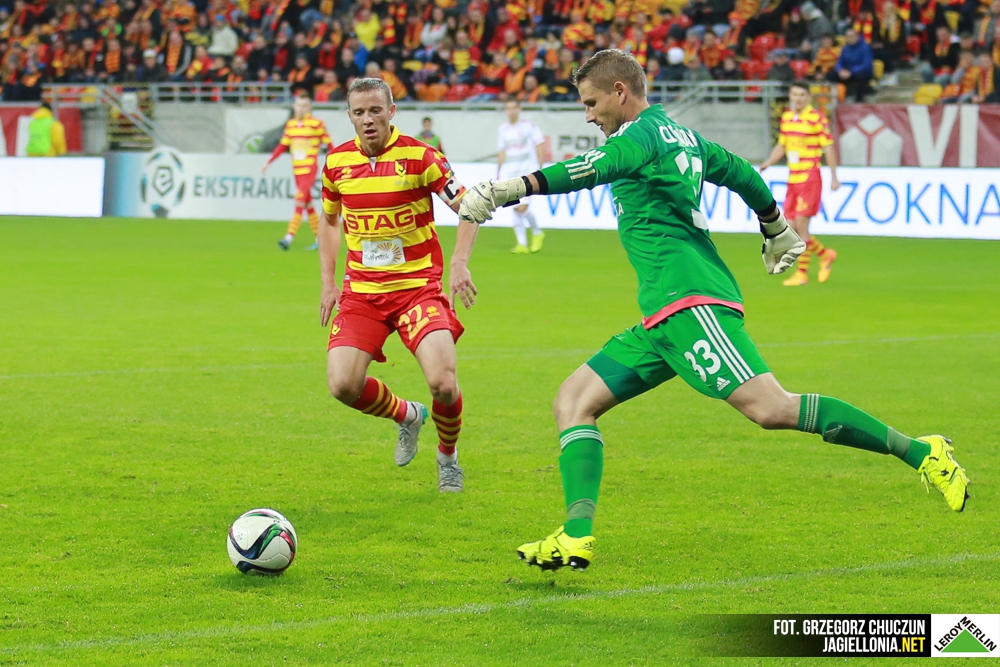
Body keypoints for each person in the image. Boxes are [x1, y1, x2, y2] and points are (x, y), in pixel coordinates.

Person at [457, 50, 969, 571]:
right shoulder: (682, 136)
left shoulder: (639, 137)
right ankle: (575, 536)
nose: (588, 115)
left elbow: (590, 168)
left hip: (691, 301)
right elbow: (741, 171)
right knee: (572, 401)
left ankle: (921, 452)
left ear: (620, 92)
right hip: (661, 315)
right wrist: (774, 224)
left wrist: (509, 189)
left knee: (772, 409)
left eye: (591, 103)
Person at [318, 77, 480, 492]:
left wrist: (459, 262)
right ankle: (407, 415)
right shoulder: (336, 163)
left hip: (417, 290)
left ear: (392, 111)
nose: (368, 119)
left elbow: (469, 206)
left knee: (444, 383)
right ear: (349, 116)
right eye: (359, 112)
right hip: (362, 294)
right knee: (342, 385)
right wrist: (328, 281)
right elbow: (330, 221)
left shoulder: (422, 157)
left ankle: (447, 457)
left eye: (376, 110)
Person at [760, 81, 839, 286]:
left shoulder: (817, 119)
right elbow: (782, 145)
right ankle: (825, 255)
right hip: (793, 178)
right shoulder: (787, 118)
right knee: (792, 227)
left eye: (802, 95)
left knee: (801, 227)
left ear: (808, 97)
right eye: (795, 94)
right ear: (790, 96)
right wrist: (769, 162)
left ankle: (802, 274)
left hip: (809, 177)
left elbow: (828, 148)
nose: (798, 98)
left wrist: (834, 176)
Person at [261, 94, 333, 251]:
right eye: (298, 105)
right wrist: (269, 162)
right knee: (307, 204)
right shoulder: (291, 125)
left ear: (309, 107)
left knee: (299, 201)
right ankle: (320, 239)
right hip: (297, 170)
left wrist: (336, 164)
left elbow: (329, 145)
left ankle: (288, 238)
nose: (300, 109)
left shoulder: (317, 124)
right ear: (294, 107)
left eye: (304, 106)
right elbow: (282, 147)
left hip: (309, 169)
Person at [496, 99, 546, 253]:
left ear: (519, 109)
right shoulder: (503, 129)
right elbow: (502, 151)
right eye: (508, 108)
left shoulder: (529, 126)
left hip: (527, 171)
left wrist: (540, 167)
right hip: (510, 172)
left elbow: (540, 145)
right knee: (514, 207)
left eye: (513, 108)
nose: (511, 111)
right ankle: (522, 244)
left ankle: (537, 232)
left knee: (522, 206)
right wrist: (499, 172)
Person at [828, 28, 873, 101]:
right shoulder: (845, 48)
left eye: (852, 36)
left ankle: (859, 99)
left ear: (857, 37)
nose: (850, 39)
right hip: (846, 71)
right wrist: (840, 70)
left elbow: (866, 65)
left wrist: (851, 72)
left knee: (861, 76)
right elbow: (839, 62)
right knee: (831, 75)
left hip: (860, 72)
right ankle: (834, 98)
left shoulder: (865, 48)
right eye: (848, 37)